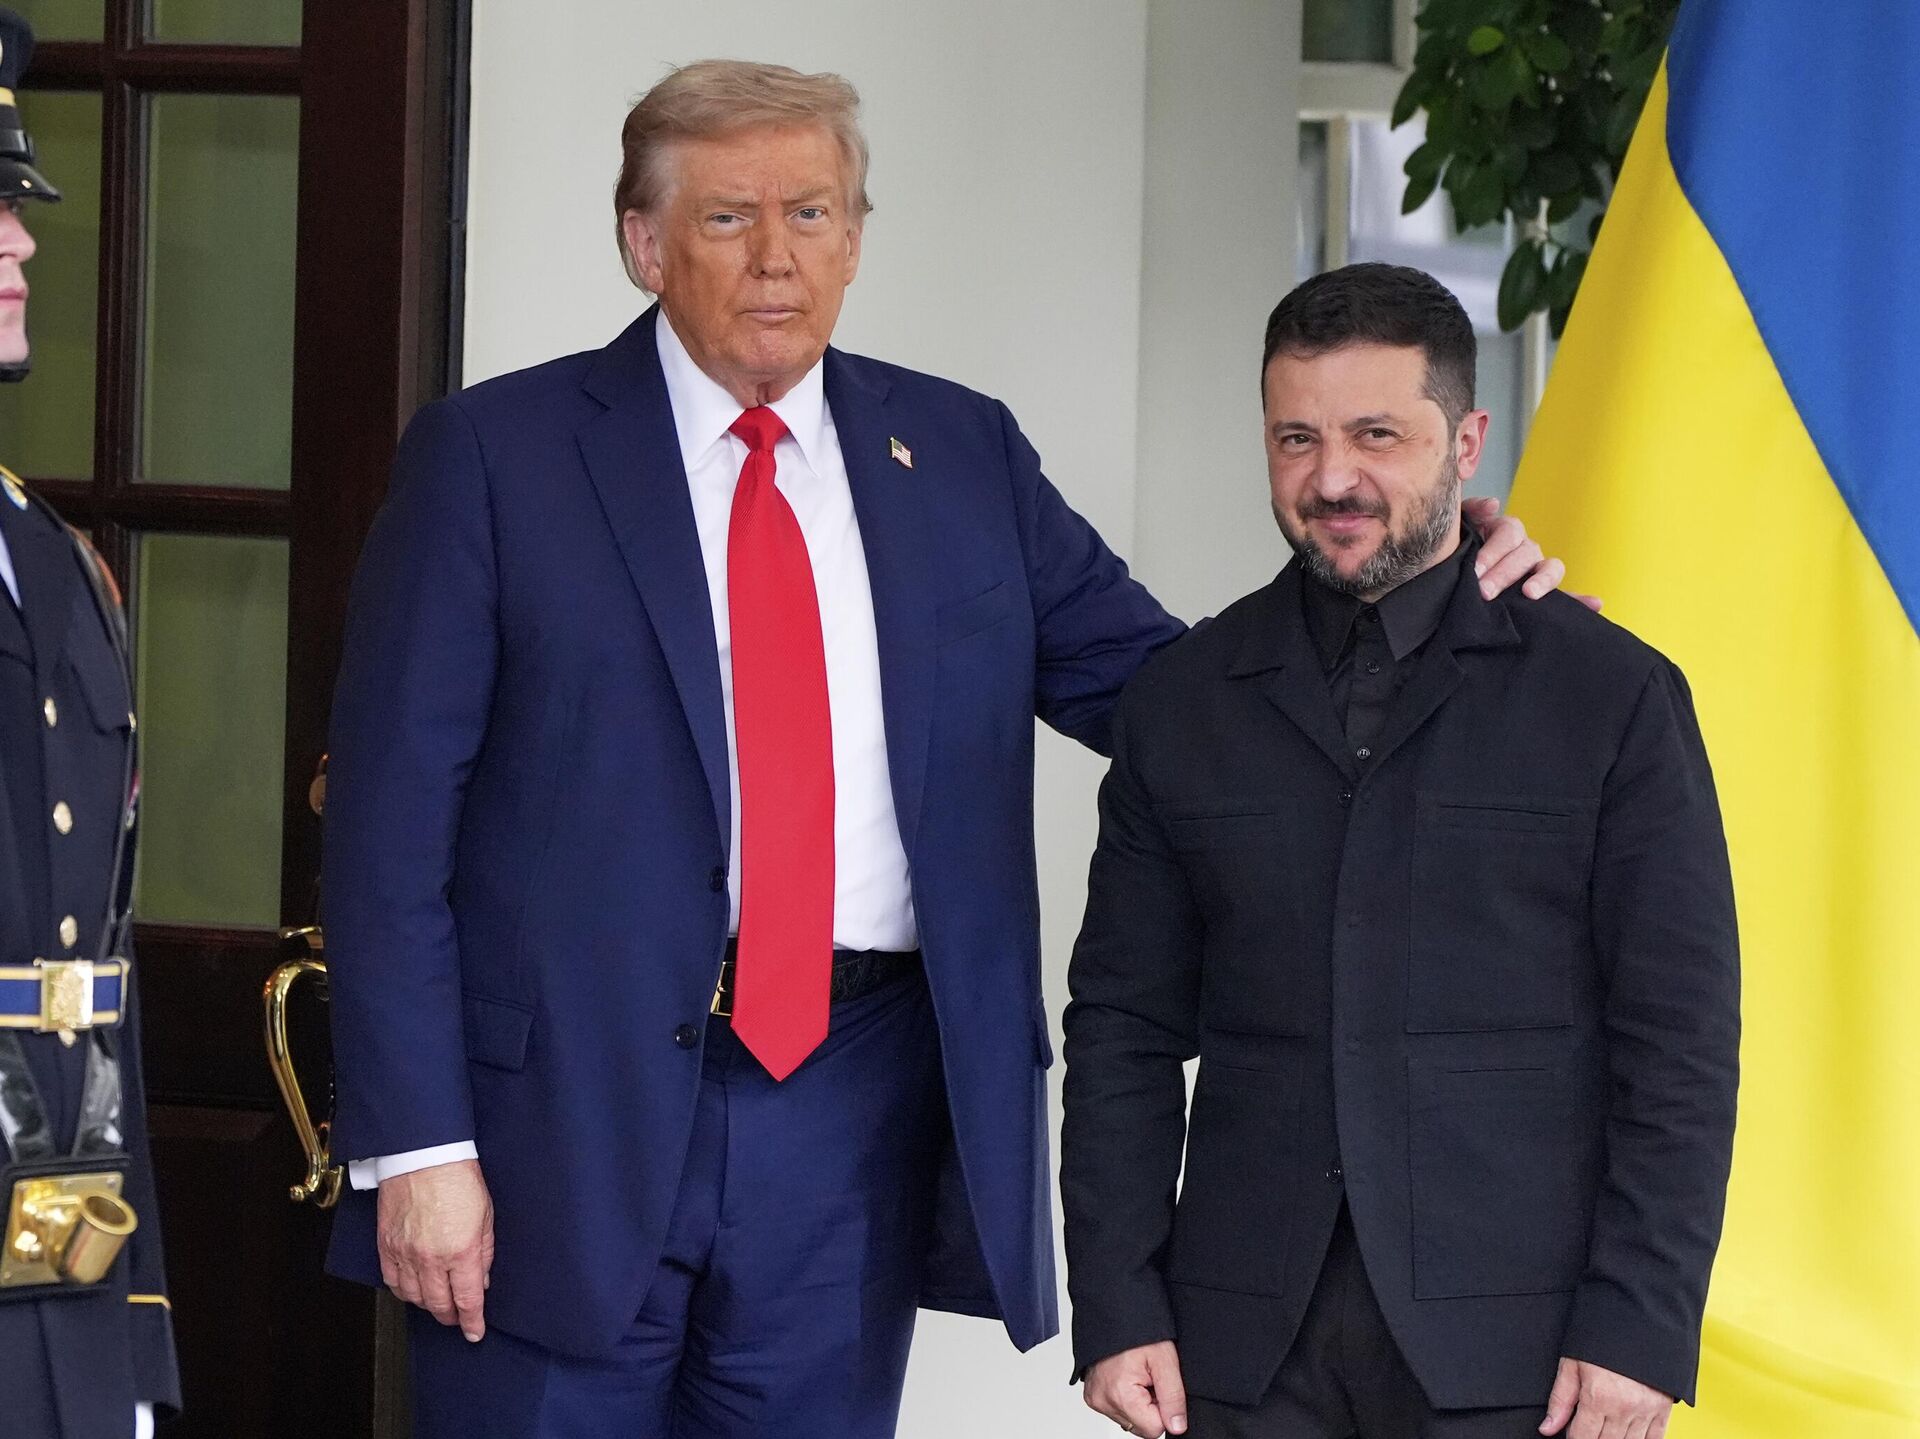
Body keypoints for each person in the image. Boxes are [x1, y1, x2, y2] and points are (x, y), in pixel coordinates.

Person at [322, 66, 1564, 1438]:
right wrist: (420, 1144)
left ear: (857, 238)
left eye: (813, 212)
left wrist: (1430, 575)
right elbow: (386, 831)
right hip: (558, 1121)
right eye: (729, 217)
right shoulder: (495, 457)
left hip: (852, 1105)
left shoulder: (961, 451)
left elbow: (1187, 702)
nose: (779, 255)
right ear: (643, 242)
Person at [1062, 263, 1740, 1439]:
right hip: (1239, 1351)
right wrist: (1117, 1300)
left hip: (1524, 1353)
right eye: (1297, 438)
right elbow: (1122, 1026)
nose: (1333, 478)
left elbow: (1678, 1037)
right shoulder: (1182, 700)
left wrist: (1639, 1320)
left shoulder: (1612, 698)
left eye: (1377, 434)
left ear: (1467, 441)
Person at [0, 12, 181, 1436]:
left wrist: (120, 1345)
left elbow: (80, 988)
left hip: (50, 1261)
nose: (22, 240)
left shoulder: (56, 562)